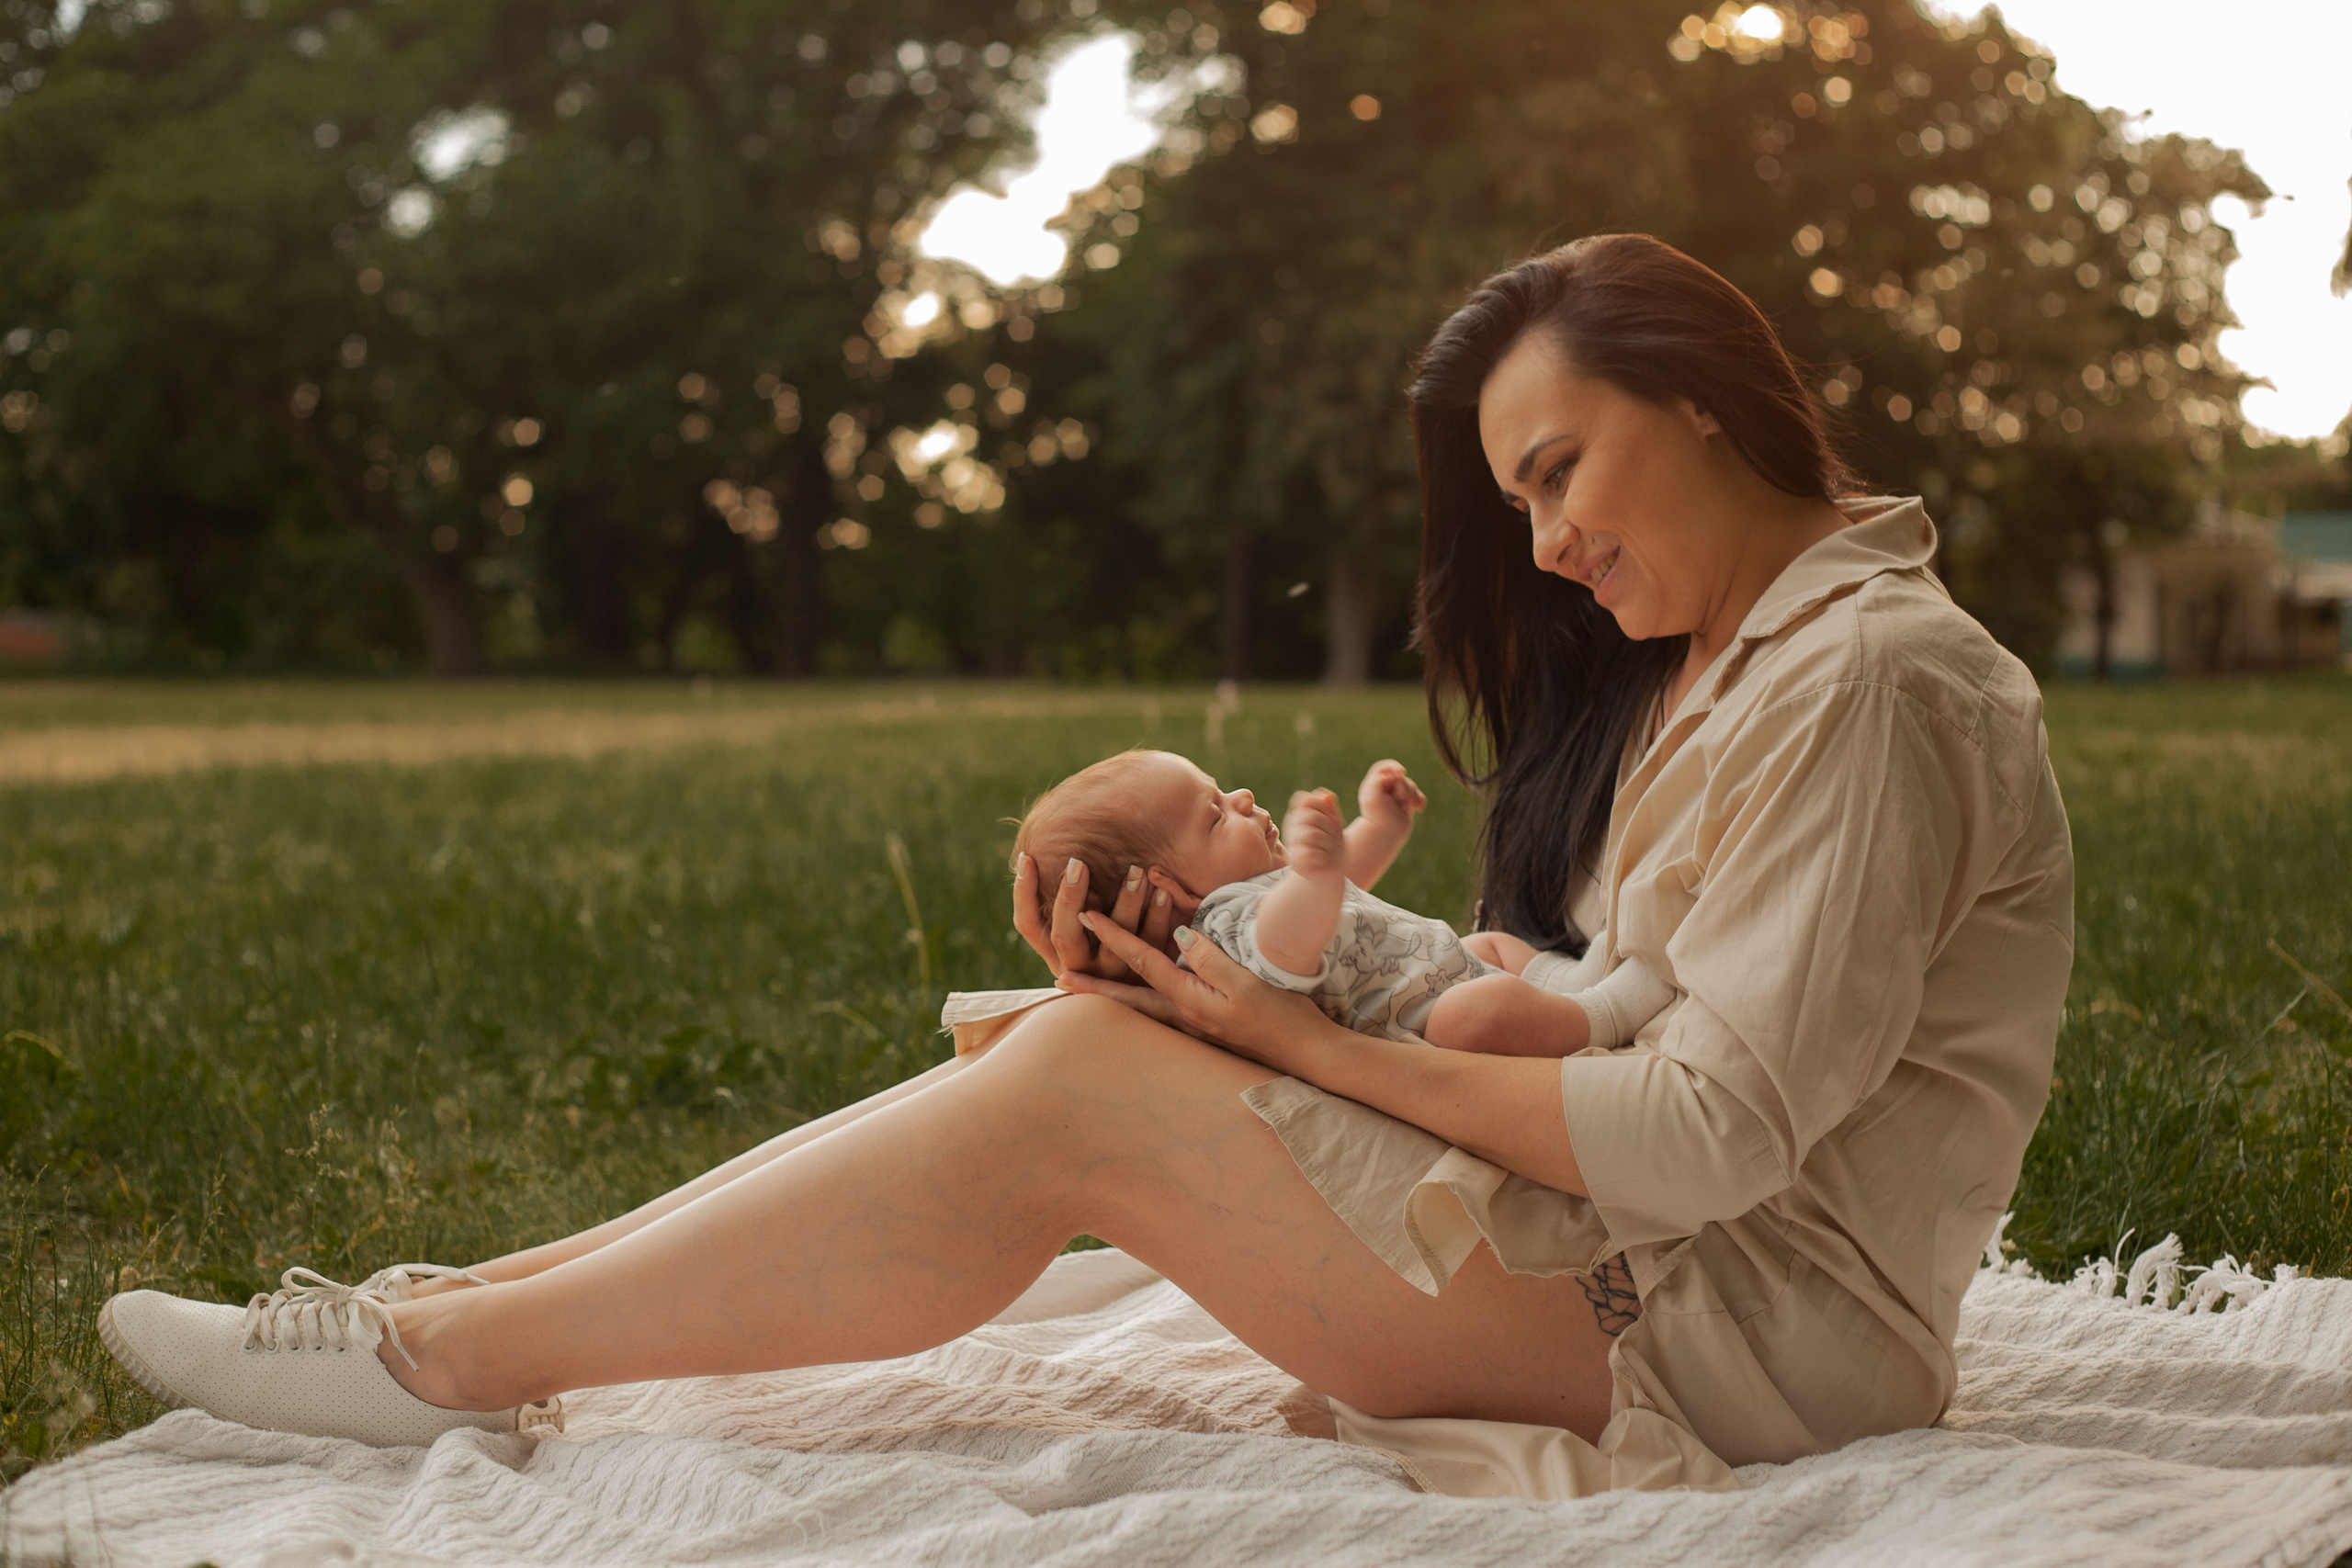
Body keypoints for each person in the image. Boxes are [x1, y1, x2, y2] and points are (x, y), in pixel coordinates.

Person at [97, 233, 2072, 1495]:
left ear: (1707, 398)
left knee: (1073, 1081)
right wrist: (1305, 995)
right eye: (1513, 498)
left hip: (1730, 1344)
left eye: (1553, 470)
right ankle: (430, 1310)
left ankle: (431, 1354)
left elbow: (1712, 1133)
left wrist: (1294, 1047)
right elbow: (1653, 1005)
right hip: (1645, 1274)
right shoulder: (1741, 667)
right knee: (1054, 1044)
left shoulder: (1870, 680)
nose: (1541, 543)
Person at [1011, 748, 1674, 1056]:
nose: (1242, 799)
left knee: (1492, 947)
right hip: (1427, 1024)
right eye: (1214, 817)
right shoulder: (1226, 931)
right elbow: (1288, 942)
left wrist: (1377, 826)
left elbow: (1343, 884)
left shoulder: (1277, 886)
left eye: (1221, 787)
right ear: (1173, 891)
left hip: (1444, 969)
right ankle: (1604, 1014)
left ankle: (1573, 982)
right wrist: (1315, 875)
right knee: (1479, 1014)